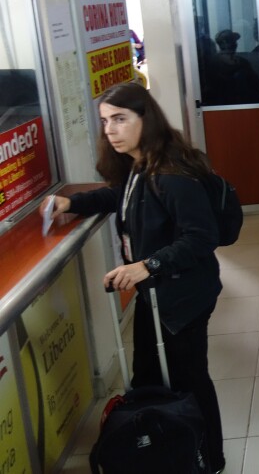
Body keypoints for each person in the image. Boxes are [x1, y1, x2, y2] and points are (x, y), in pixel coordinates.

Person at [40, 83, 226, 473]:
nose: (110, 130)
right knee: (150, 373)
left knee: (190, 377)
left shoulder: (172, 173)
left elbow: (201, 236)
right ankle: (168, 446)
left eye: (121, 119)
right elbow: (118, 197)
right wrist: (72, 203)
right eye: (106, 121)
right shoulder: (141, 164)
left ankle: (209, 458)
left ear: (147, 119)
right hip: (157, 293)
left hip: (181, 297)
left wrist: (147, 265)